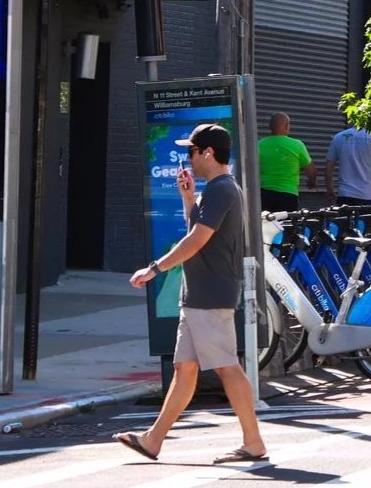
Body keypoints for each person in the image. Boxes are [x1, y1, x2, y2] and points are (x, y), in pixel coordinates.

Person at [116, 124, 268, 466]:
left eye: (192, 151)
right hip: (199, 293)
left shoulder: (221, 190)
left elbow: (196, 241)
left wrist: (154, 269)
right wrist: (188, 198)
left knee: (228, 367)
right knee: (185, 369)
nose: (189, 158)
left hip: (210, 294)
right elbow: (198, 234)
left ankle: (254, 442)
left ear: (208, 153)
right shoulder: (214, 190)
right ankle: (153, 441)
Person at [257, 112, 315, 211]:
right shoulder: (297, 145)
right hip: (288, 195)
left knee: (266, 225)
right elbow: (311, 170)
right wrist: (311, 182)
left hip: (264, 195)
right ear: (287, 126)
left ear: (269, 126)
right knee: (287, 225)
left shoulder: (259, 145)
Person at [326, 125, 371, 205]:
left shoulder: (339, 137)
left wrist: (330, 190)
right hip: (370, 196)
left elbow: (329, 166)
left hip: (345, 195)